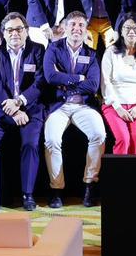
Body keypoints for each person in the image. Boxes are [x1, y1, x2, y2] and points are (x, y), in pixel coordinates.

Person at [0, 12, 47, 211]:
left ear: (26, 31)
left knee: (30, 144)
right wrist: (12, 109)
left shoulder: (38, 50)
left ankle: (28, 194)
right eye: (9, 30)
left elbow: (41, 82)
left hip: (31, 110)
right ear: (3, 33)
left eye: (19, 29)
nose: (15, 33)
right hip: (3, 111)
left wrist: (20, 102)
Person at [42, 11, 106, 208]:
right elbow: (50, 77)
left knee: (98, 134)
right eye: (73, 25)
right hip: (59, 106)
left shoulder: (91, 54)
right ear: (65, 28)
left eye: (80, 25)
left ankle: (89, 186)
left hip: (83, 106)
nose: (77, 29)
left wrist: (66, 80)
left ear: (85, 29)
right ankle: (56, 190)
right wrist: (79, 78)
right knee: (52, 140)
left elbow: (93, 85)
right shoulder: (53, 49)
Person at [100, 12, 136, 155]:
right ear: (121, 31)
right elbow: (106, 83)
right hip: (114, 105)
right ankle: (120, 175)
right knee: (124, 139)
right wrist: (118, 108)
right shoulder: (110, 52)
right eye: (127, 28)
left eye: (135, 28)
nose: (131, 31)